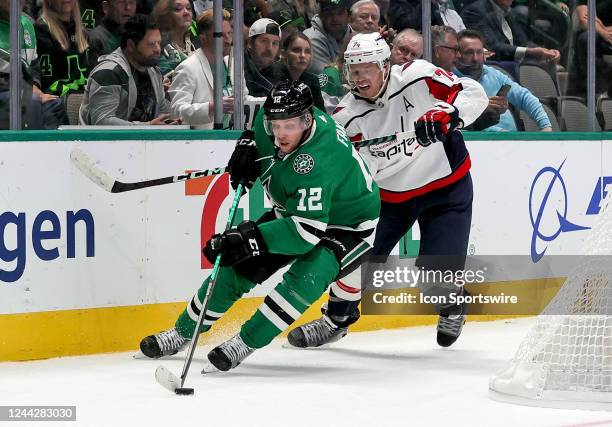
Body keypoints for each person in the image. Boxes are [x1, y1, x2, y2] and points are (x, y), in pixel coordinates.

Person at [139, 81, 381, 372]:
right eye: (275, 125)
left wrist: (248, 237)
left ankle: (245, 341)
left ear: (307, 119)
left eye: (289, 125)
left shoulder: (319, 157)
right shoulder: (270, 118)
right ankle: (182, 332)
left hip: (348, 226)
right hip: (296, 214)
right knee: (237, 267)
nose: (280, 134)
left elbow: (305, 234)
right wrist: (248, 143)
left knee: (306, 277)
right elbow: (258, 131)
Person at [287, 32, 488, 349]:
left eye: (367, 67)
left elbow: (474, 94)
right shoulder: (345, 119)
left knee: (433, 281)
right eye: (353, 70)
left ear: (385, 65)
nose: (360, 76)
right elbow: (342, 171)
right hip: (389, 200)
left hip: (445, 190)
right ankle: (336, 320)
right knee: (352, 258)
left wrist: (448, 114)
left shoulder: (416, 76)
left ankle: (453, 304)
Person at [169, 9, 262, 128]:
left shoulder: (233, 63)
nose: (228, 40)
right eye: (221, 36)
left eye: (229, 33)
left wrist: (266, 102)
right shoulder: (188, 68)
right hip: (202, 142)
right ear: (203, 39)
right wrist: (212, 107)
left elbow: (243, 100)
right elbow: (177, 113)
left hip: (232, 138)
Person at [79, 14, 177, 125]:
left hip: (143, 140)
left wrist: (177, 118)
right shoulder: (108, 73)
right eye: (151, 44)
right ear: (130, 45)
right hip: (102, 142)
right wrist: (147, 127)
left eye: (159, 43)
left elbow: (162, 108)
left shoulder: (153, 71)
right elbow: (102, 121)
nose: (158, 49)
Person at [454, 29, 552, 131]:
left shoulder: (493, 74)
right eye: (469, 53)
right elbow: (458, 125)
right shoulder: (450, 81)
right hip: (481, 142)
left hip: (511, 139)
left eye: (479, 52)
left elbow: (524, 97)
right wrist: (482, 110)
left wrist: (546, 126)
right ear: (457, 54)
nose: (475, 58)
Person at [461, 0, 561, 64]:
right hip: (494, 64)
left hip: (512, 61)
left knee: (547, 61)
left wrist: (546, 51)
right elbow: (492, 47)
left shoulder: (509, 12)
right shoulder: (477, 11)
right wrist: (530, 51)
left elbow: (523, 41)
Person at [35, 0, 92, 97]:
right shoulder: (42, 30)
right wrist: (75, 97)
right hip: (59, 101)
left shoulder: (82, 31)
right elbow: (47, 83)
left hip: (85, 99)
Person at [304, 0, 351, 74]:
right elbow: (327, 79)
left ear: (349, 16)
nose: (335, 18)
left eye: (340, 13)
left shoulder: (355, 35)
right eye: (329, 13)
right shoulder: (310, 39)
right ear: (321, 16)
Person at [281, 31, 325, 110]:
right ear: (284, 53)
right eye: (296, 50)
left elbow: (321, 114)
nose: (302, 55)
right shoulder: (274, 76)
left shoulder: (313, 81)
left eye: (307, 51)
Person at [153, 0, 198, 76]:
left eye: (188, 8)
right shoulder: (159, 45)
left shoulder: (197, 41)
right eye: (178, 9)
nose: (186, 13)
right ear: (166, 16)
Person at [243, 18, 286, 97]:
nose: (269, 48)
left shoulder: (282, 73)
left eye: (275, 43)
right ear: (250, 43)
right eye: (264, 41)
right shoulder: (237, 67)